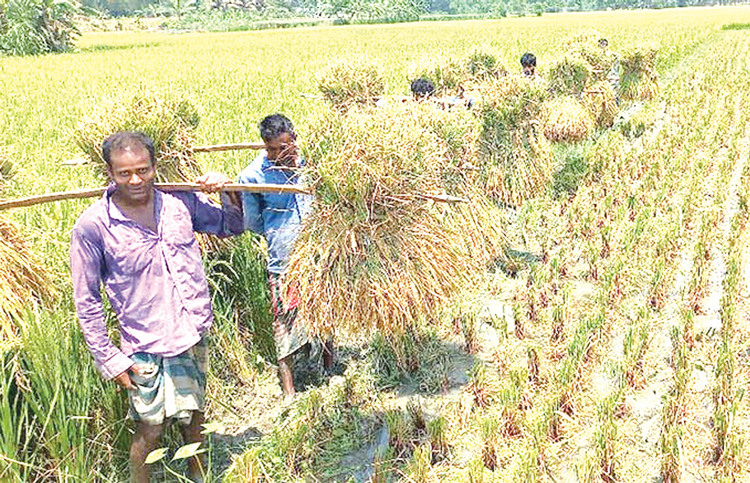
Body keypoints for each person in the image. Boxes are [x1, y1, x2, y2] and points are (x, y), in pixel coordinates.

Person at [70, 131, 243, 483]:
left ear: (155, 166)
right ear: (109, 173)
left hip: (191, 331)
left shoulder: (180, 203)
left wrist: (229, 192)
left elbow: (231, 226)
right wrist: (108, 358)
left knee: (193, 417)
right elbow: (86, 301)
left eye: (143, 170)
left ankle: (200, 477)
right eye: (124, 173)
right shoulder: (93, 226)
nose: (135, 180)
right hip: (143, 346)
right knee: (150, 429)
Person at [237, 113, 333, 397]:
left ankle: (329, 371)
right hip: (284, 260)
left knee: (325, 313)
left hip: (319, 255)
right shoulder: (253, 176)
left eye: (284, 146)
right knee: (284, 319)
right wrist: (279, 230)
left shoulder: (315, 164)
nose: (278, 154)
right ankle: (289, 390)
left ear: (295, 139)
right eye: (271, 149)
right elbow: (252, 221)